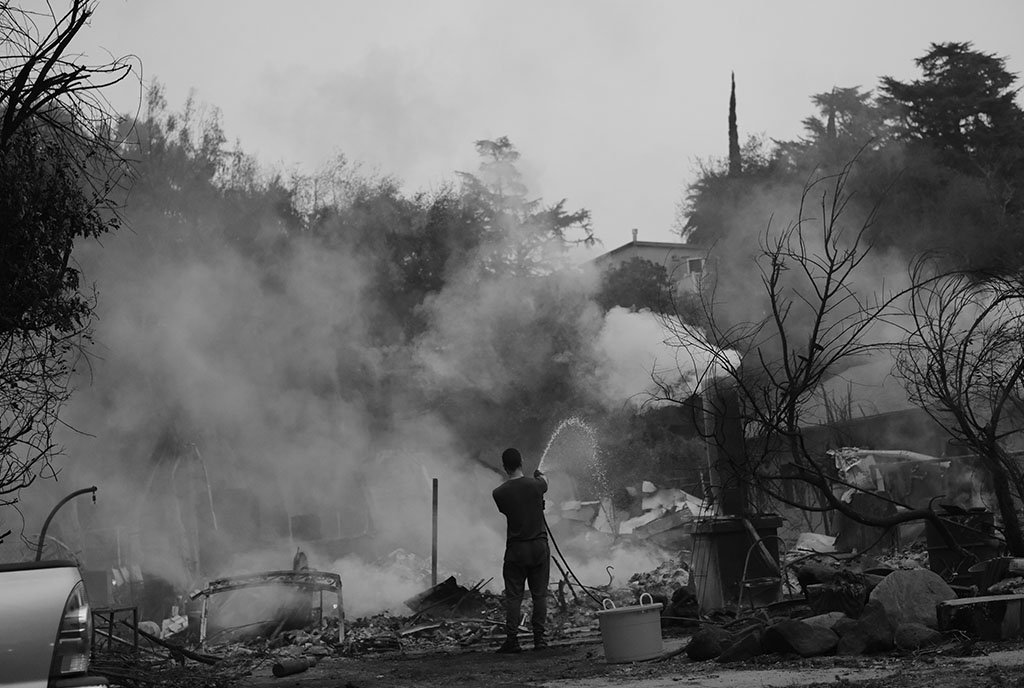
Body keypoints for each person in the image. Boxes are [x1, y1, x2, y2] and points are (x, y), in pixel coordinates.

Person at [492, 447, 550, 653]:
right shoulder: (536, 485)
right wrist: (540, 475)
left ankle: (512, 641)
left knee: (514, 597)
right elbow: (545, 483)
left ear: (504, 466)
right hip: (538, 547)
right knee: (539, 595)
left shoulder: (499, 493)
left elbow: (508, 509)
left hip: (516, 549)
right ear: (521, 462)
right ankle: (540, 639)